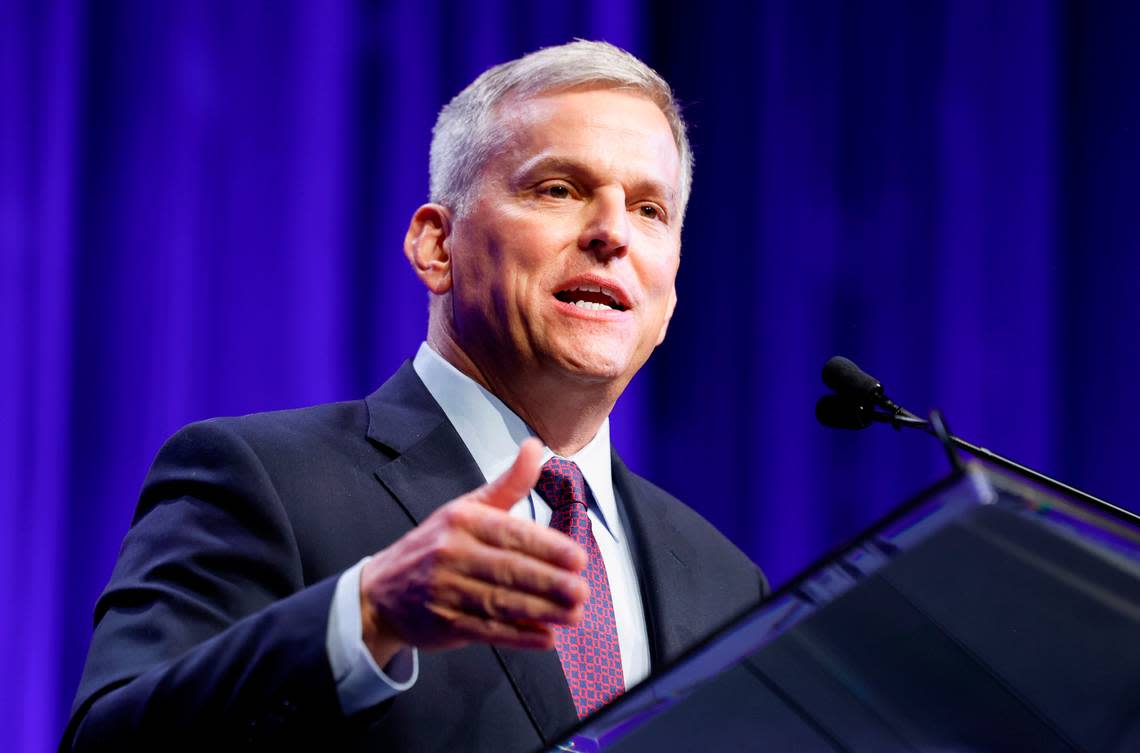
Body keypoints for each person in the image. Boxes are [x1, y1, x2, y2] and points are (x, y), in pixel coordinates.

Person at [62, 40, 766, 753]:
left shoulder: (725, 580)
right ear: (437, 246)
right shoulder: (262, 478)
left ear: (670, 290)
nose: (613, 233)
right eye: (558, 189)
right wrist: (366, 615)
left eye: (650, 209)